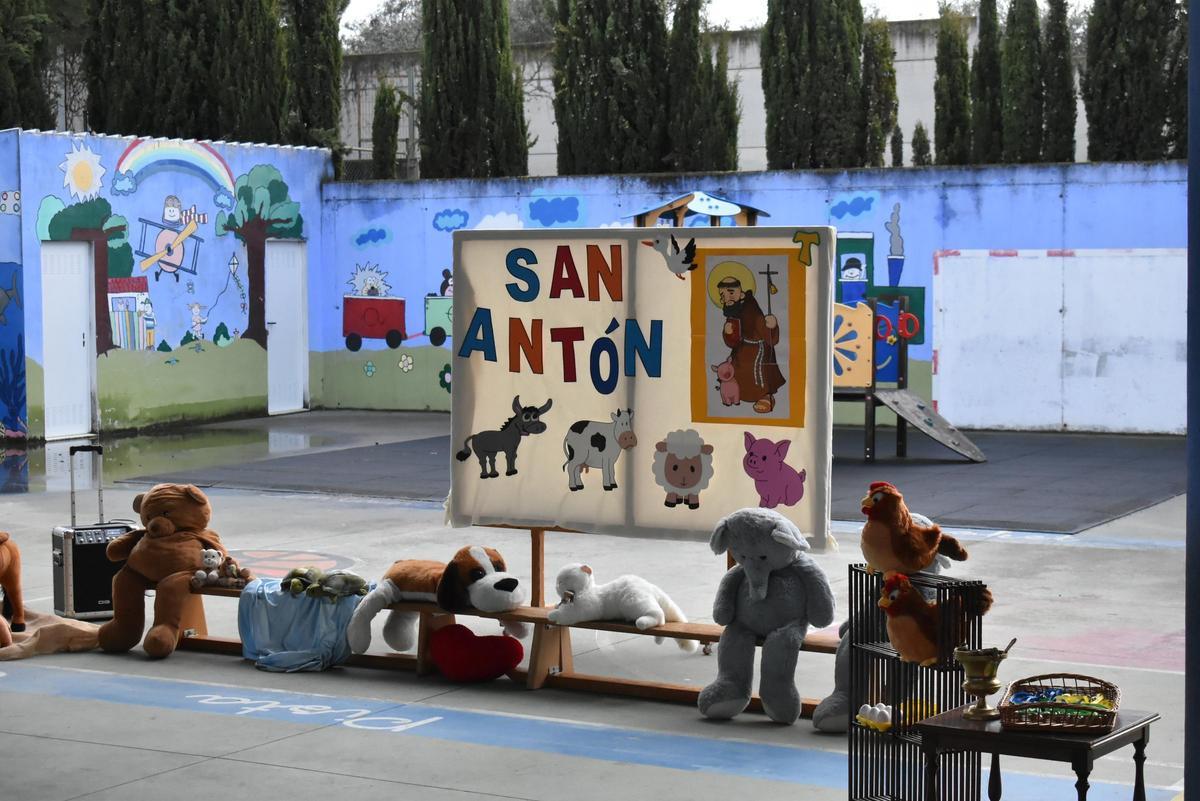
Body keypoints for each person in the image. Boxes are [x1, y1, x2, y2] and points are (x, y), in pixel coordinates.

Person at [718, 276, 785, 413]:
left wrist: (771, 326)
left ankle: (765, 396)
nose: (727, 298)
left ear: (740, 292)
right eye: (723, 295)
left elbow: (767, 333)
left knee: (757, 374)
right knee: (736, 373)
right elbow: (733, 341)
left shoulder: (750, 307)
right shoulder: (733, 309)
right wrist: (728, 332)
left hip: (757, 350)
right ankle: (737, 395)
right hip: (741, 349)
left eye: (730, 293)